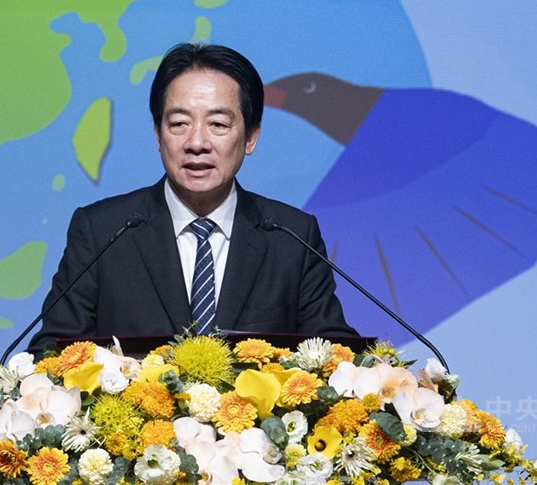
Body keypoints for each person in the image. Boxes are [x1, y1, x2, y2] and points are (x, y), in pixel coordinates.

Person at [27, 43, 356, 356]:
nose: (197, 143)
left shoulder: (292, 237)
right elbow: (51, 352)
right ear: (158, 134)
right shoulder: (103, 231)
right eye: (179, 124)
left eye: (218, 124)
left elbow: (333, 354)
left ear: (251, 137)